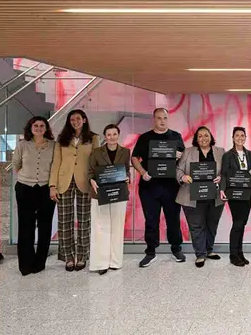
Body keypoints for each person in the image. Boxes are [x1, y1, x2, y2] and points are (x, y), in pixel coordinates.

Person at [131, 108, 186, 268]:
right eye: (159, 118)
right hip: (149, 187)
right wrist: (142, 172)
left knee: (173, 220)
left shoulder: (176, 137)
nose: (162, 121)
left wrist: (179, 155)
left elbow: (184, 159)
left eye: (165, 118)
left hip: (171, 187)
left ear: (168, 119)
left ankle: (176, 249)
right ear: (154, 119)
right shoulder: (145, 137)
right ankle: (150, 252)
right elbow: (134, 157)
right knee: (151, 221)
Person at [49, 109, 99, 272]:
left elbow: (96, 161)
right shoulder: (62, 138)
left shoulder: (93, 138)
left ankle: (83, 256)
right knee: (65, 221)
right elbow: (56, 162)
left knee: (84, 221)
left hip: (85, 182)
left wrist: (96, 180)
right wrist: (52, 186)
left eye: (78, 118)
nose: (75, 121)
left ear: (84, 120)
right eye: (72, 119)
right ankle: (68, 257)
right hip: (64, 181)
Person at [13, 116, 56, 276]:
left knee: (45, 226)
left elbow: (55, 167)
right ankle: (25, 264)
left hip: (46, 189)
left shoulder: (53, 145)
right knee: (26, 226)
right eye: (35, 125)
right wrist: (27, 178)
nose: (38, 128)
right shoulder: (22, 145)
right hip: (25, 189)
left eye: (41, 126)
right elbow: (16, 165)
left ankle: (40, 263)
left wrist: (52, 186)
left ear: (46, 128)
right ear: (30, 128)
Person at [176, 126, 225, 268]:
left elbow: (227, 171)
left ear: (211, 137)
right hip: (192, 195)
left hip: (214, 195)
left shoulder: (220, 152)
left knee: (212, 225)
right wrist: (183, 177)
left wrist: (221, 177)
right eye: (200, 136)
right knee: (196, 226)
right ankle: (200, 254)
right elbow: (178, 169)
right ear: (196, 139)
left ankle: (209, 250)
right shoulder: (188, 151)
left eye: (206, 135)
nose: (203, 138)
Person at [88, 124, 131, 275]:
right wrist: (92, 180)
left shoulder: (125, 152)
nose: (112, 137)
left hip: (119, 193)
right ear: (104, 136)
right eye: (109, 134)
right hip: (100, 193)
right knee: (101, 228)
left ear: (118, 135)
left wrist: (127, 178)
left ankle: (115, 261)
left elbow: (126, 170)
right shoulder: (96, 152)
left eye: (114, 134)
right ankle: (101, 263)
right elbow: (91, 171)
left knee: (117, 227)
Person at [221, 127, 251, 267]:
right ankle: (233, 254)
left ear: (245, 137)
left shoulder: (249, 154)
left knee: (242, 223)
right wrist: (222, 189)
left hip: (247, 193)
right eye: (237, 135)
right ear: (233, 137)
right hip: (234, 193)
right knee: (237, 224)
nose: (240, 138)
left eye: (242, 135)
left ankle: (240, 253)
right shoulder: (228, 155)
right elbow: (223, 173)